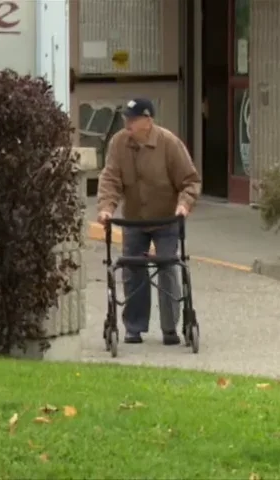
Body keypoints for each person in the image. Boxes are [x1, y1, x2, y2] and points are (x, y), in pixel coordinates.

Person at [96, 98, 201, 345]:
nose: (127, 123)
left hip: (166, 219)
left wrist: (184, 205)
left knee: (168, 268)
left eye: (133, 119)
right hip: (134, 220)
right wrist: (106, 209)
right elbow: (110, 179)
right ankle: (134, 327)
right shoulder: (119, 143)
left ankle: (170, 328)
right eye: (126, 119)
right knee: (133, 270)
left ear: (148, 121)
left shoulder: (169, 143)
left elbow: (190, 180)